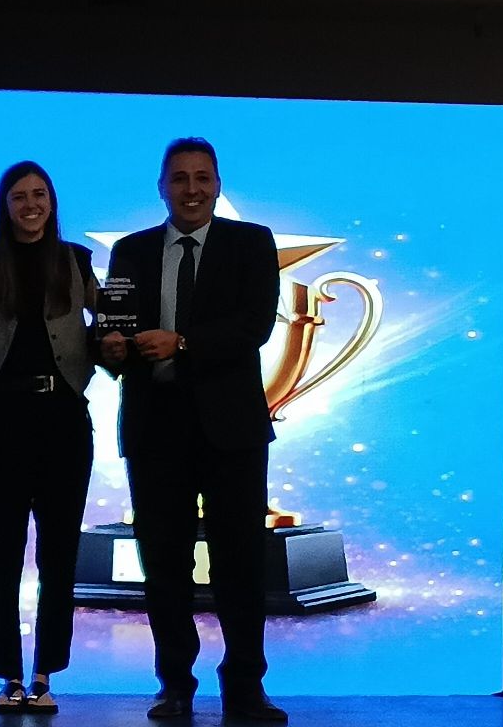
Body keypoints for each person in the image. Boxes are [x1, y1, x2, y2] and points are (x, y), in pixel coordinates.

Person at [100, 137, 287, 722]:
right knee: (164, 567)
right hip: (155, 430)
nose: (191, 189)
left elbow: (254, 326)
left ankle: (245, 687)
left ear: (218, 185)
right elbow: (114, 330)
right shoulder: (130, 250)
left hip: (232, 433)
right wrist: (108, 348)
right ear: (162, 187)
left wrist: (182, 342)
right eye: (179, 179)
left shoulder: (252, 243)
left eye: (202, 178)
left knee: (240, 564)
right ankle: (175, 684)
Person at [0, 161, 99, 715]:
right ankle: (9, 675)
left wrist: (112, 347)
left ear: (52, 201)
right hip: (1, 422)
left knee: (59, 556)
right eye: (19, 196)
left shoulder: (78, 261)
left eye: (39, 194)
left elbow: (112, 324)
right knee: (2, 556)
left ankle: (45, 674)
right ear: (5, 205)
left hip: (64, 421)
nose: (30, 204)